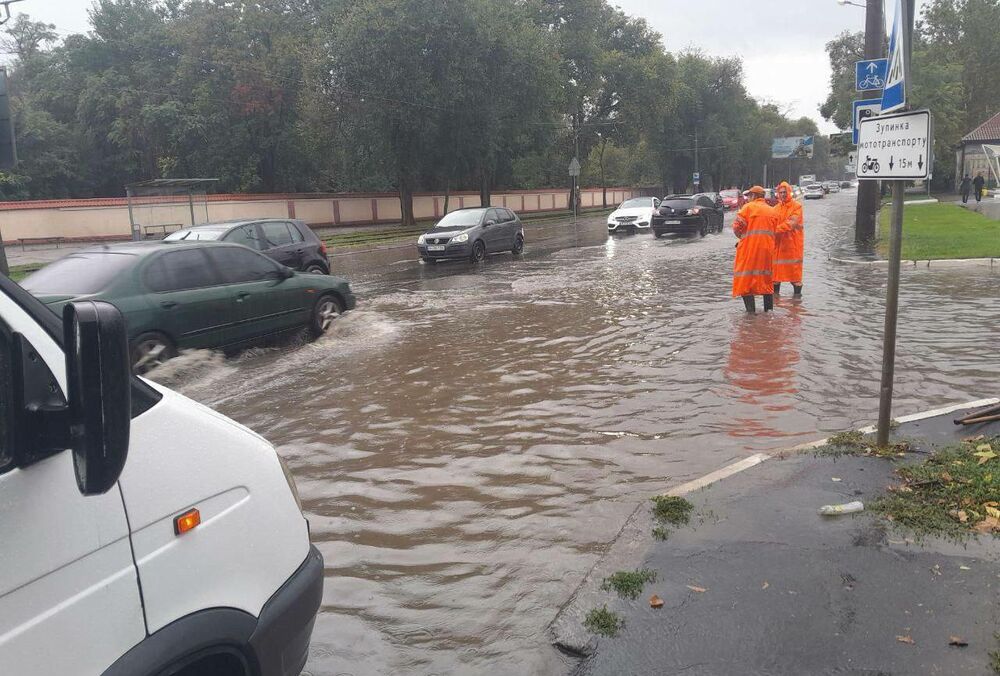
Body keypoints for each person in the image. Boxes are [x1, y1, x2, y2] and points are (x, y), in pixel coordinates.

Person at [732, 185, 777, 313]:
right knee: (766, 281)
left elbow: (736, 227)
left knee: (745, 280)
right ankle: (769, 312)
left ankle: (751, 315)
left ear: (754, 196)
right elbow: (775, 231)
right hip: (767, 251)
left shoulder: (748, 208)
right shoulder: (772, 211)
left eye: (749, 196)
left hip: (749, 250)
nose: (747, 199)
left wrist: (742, 237)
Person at [772, 181, 804, 296]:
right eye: (780, 192)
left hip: (792, 246)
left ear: (789, 192)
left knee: (795, 277)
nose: (783, 194)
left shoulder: (797, 206)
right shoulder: (775, 208)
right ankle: (775, 301)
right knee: (775, 277)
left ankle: (796, 303)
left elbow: (791, 223)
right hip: (778, 246)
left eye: (785, 192)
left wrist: (773, 230)